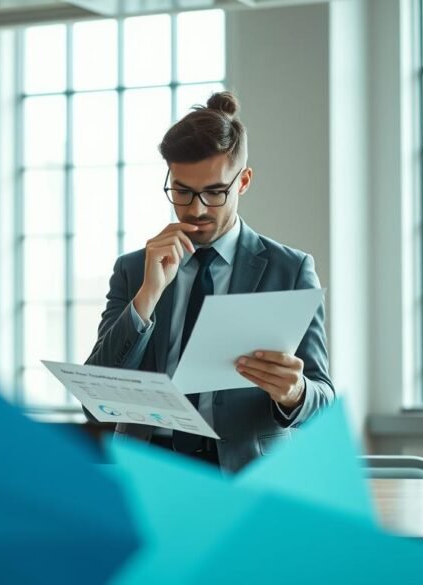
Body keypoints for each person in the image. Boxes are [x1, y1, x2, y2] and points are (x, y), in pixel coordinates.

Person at [84, 91, 335, 473]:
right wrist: (148, 294)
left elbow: (323, 397)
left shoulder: (291, 269)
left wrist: (294, 392)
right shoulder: (133, 269)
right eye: (182, 191)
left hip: (246, 475)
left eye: (215, 193)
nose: (196, 209)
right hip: (147, 472)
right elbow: (96, 397)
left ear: (244, 181)